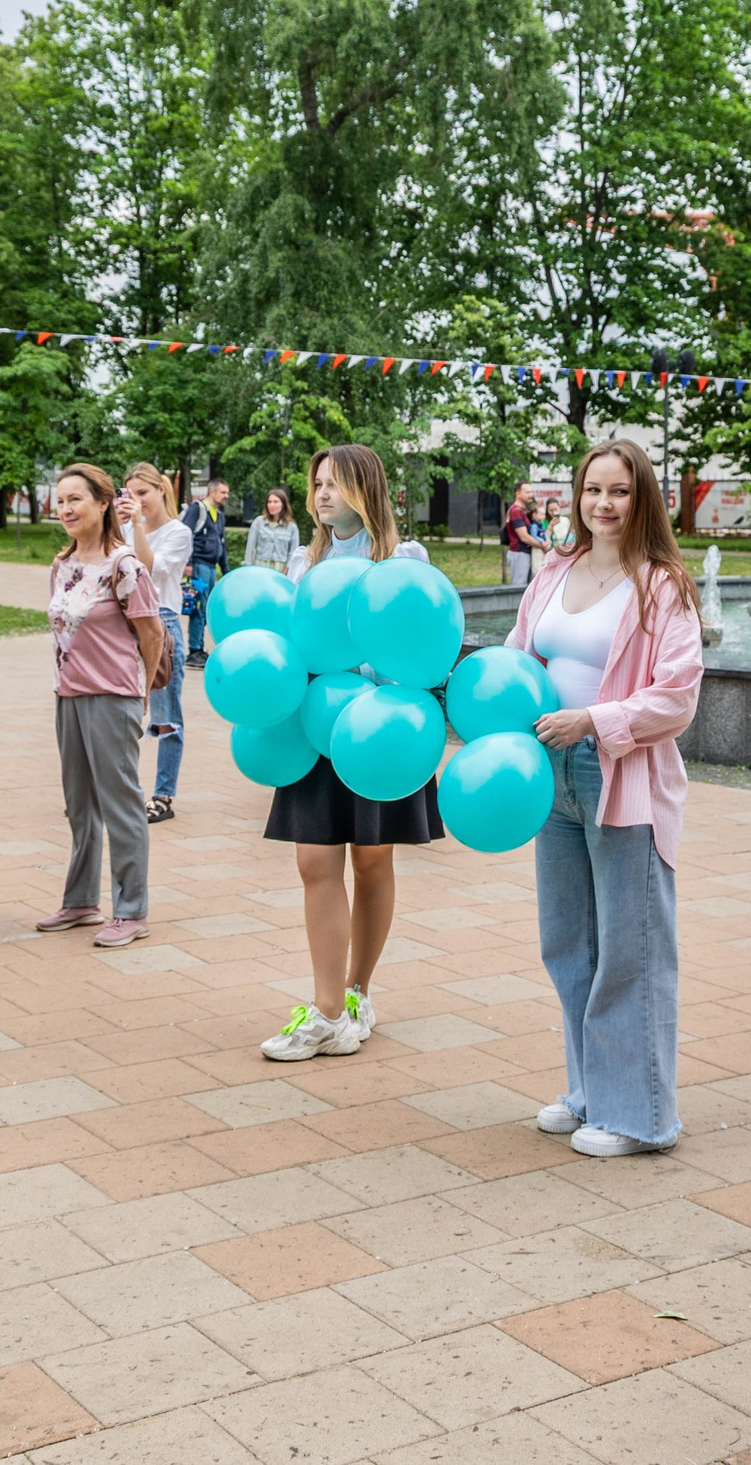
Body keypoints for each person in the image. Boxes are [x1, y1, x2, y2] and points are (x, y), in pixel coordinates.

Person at [504, 440, 703, 1157]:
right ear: (577, 496)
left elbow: (677, 697)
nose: (604, 503)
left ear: (641, 498)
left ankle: (639, 1117)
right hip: (547, 770)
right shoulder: (556, 569)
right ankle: (591, 1091)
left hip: (618, 772)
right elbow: (520, 655)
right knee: (568, 940)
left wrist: (592, 721)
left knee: (631, 945)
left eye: (619, 491)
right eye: (593, 489)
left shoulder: (662, 585)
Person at [260, 444, 439, 1061]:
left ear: (366, 489)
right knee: (315, 863)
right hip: (316, 730)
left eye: (334, 483)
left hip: (381, 733)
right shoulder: (303, 563)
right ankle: (327, 1010)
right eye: (317, 484)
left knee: (371, 861)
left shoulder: (404, 559)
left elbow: (423, 649)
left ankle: (358, 993)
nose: (322, 495)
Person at [37, 463, 166, 946]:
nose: (65, 508)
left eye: (76, 499)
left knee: (121, 804)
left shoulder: (124, 565)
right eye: (61, 500)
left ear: (104, 503)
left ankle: (131, 910)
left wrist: (141, 692)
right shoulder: (61, 564)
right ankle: (81, 902)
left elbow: (152, 633)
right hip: (68, 695)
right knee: (79, 804)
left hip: (113, 696)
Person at [122, 463, 192, 824]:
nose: (137, 500)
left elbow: (147, 568)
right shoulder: (123, 528)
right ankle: (116, 791)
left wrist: (136, 525)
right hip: (125, 625)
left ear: (161, 490)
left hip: (162, 627)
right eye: (130, 494)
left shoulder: (178, 532)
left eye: (143, 493)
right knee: (121, 713)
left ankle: (164, 795)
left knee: (166, 718)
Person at [180, 476, 229, 664]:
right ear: (212, 491)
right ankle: (195, 650)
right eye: (223, 492)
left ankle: (198, 647)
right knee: (199, 608)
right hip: (198, 566)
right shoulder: (197, 509)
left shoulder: (219, 515)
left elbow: (222, 545)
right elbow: (185, 535)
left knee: (207, 608)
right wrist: (188, 563)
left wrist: (226, 571)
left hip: (211, 567)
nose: (226, 496)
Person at [247, 487, 299, 574]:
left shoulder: (291, 527)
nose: (272, 505)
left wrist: (288, 568)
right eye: (269, 502)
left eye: (275, 502)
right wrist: (248, 567)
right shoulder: (259, 522)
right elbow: (250, 548)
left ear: (283, 504)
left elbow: (293, 552)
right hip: (260, 567)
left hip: (281, 569)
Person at [502, 494, 546, 586]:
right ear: (518, 493)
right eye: (527, 492)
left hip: (527, 552)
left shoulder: (524, 512)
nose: (530, 495)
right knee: (519, 586)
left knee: (530, 586)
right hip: (519, 553)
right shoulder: (515, 511)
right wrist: (543, 545)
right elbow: (524, 537)